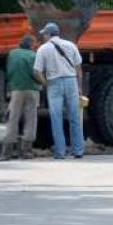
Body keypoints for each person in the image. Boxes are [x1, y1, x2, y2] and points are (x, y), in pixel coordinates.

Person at [33, 22, 85, 159]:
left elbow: (37, 71)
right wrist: (79, 86)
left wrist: (46, 84)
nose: (43, 36)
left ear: (49, 34)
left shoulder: (43, 49)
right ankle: (78, 150)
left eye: (44, 34)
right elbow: (79, 68)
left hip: (54, 83)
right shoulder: (71, 45)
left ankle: (60, 152)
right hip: (71, 81)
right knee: (74, 117)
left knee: (56, 118)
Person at [0, 34, 41, 160]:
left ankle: (6, 152)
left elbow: (8, 70)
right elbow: (36, 72)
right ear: (30, 45)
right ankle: (26, 151)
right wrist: (43, 82)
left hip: (16, 89)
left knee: (13, 118)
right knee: (30, 119)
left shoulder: (12, 54)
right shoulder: (34, 55)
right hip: (32, 90)